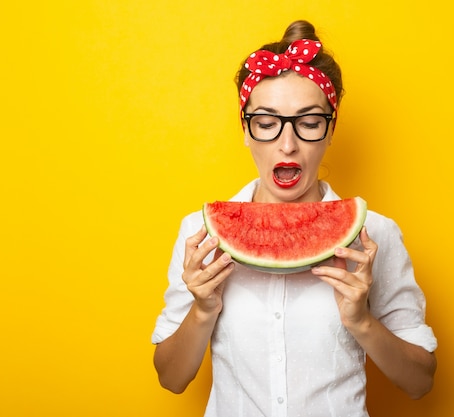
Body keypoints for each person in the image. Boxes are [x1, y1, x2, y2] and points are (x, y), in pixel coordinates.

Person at [152, 20, 437, 416]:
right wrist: (203, 309)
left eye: (308, 123)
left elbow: (420, 382)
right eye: (267, 124)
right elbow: (172, 379)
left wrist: (361, 321)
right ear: (246, 130)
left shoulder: (375, 235)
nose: (288, 145)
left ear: (331, 129)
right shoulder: (198, 234)